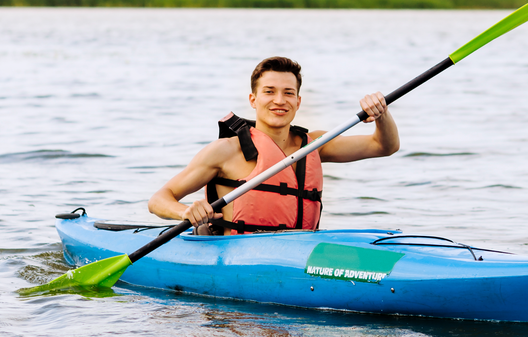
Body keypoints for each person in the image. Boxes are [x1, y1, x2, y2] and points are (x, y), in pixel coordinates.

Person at [148, 56, 399, 234]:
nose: (280, 100)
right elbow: (158, 200)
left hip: (296, 255)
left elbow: (383, 146)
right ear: (253, 100)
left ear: (298, 102)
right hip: (235, 258)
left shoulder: (315, 145)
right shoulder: (226, 151)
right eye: (269, 92)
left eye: (288, 93)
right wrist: (184, 212)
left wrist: (381, 114)